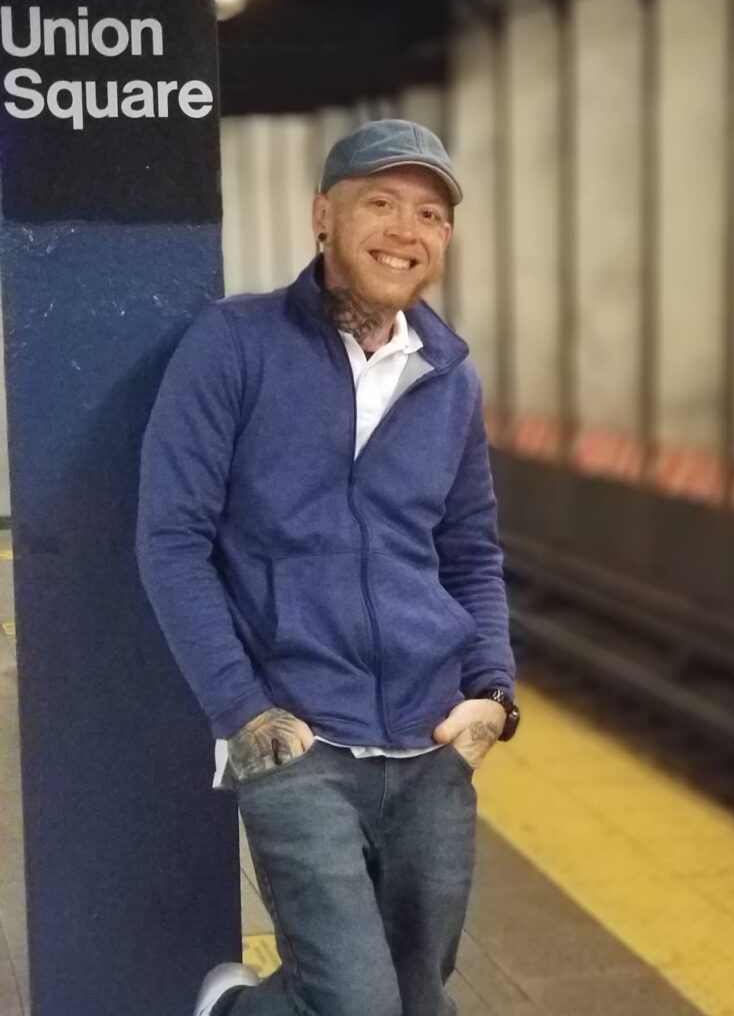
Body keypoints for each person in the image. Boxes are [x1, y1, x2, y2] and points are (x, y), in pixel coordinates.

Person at [136, 118, 520, 1016]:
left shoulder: (448, 379)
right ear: (322, 216)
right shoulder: (233, 346)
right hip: (297, 733)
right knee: (356, 1005)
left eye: (429, 213)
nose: (404, 230)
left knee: (420, 996)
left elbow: (470, 550)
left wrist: (491, 697)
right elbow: (172, 539)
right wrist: (244, 710)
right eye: (379, 203)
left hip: (429, 739)